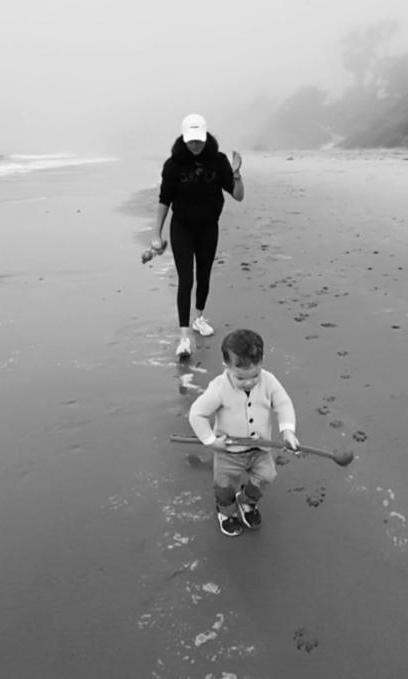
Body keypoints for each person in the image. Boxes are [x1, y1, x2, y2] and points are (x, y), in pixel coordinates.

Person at [188, 329, 300, 536]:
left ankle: (246, 501)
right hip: (227, 451)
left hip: (260, 448)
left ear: (261, 362)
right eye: (240, 377)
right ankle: (226, 512)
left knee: (267, 475)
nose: (249, 382)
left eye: (254, 375)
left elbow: (283, 403)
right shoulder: (219, 388)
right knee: (224, 485)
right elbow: (197, 414)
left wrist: (288, 431)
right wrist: (210, 440)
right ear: (226, 366)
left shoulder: (269, 381)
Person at [154, 113, 244, 358]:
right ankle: (184, 336)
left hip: (208, 227)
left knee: (204, 274)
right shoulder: (173, 165)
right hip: (181, 226)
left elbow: (238, 195)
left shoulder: (218, 161)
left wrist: (236, 174)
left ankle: (199, 317)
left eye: (199, 140)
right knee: (186, 277)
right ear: (183, 138)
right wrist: (156, 234)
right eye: (191, 140)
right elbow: (164, 200)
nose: (195, 145)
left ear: (206, 137)